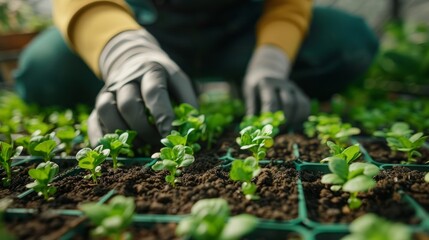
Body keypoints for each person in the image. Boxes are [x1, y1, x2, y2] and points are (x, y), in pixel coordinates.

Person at [13, 0, 379, 147]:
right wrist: (122, 50)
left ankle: (247, 83)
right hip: (143, 21)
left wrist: (272, 58)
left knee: (349, 42)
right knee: (44, 69)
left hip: (242, 28)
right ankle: (151, 76)